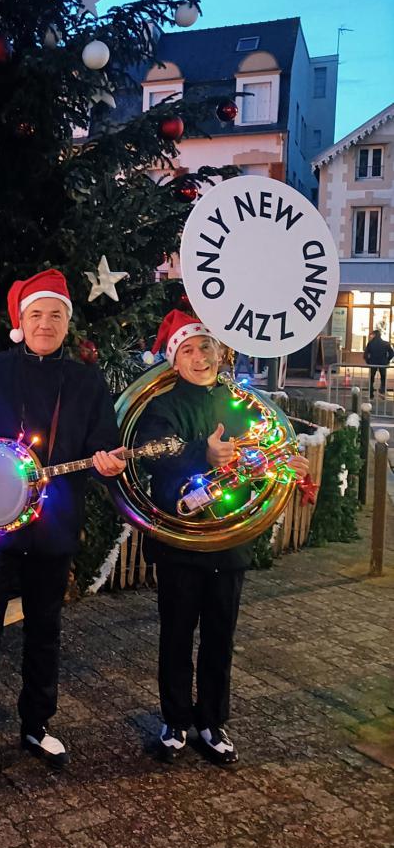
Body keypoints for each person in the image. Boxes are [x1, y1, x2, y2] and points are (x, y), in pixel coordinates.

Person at [0, 269, 127, 789]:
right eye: (36, 314)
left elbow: (105, 441)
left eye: (56, 315)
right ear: (20, 321)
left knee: (45, 629)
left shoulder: (87, 381)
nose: (46, 323)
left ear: (67, 322)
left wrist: (110, 461)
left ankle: (37, 725)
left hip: (55, 525)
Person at [135, 309, 310, 768]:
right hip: (181, 540)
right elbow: (154, 453)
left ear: (220, 351)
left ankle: (212, 722)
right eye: (188, 350)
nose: (199, 357)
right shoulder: (161, 406)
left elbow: (262, 454)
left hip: (229, 540)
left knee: (219, 635)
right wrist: (202, 452)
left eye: (206, 347)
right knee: (176, 634)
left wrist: (284, 465)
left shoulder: (242, 404)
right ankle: (174, 721)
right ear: (175, 361)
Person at [363, 329, 393, 397]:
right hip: (383, 363)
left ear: (375, 335)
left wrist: (368, 361)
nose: (371, 336)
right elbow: (392, 353)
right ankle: (382, 391)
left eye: (372, 335)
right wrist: (387, 360)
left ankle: (371, 393)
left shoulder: (370, 343)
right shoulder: (386, 343)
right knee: (383, 377)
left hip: (373, 363)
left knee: (371, 378)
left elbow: (365, 354)